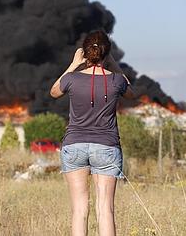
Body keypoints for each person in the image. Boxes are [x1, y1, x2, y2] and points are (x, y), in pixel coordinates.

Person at [50, 30, 136, 236]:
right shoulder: (116, 81)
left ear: (86, 54)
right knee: (105, 210)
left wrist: (73, 64)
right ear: (106, 54)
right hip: (106, 147)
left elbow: (54, 91)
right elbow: (132, 94)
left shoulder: (71, 78)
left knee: (79, 210)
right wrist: (113, 64)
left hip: (74, 146)